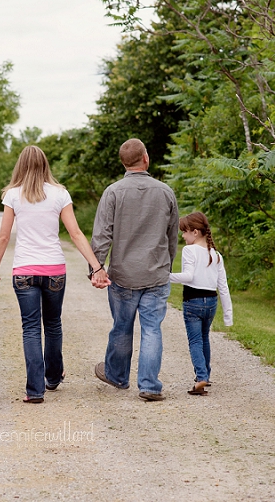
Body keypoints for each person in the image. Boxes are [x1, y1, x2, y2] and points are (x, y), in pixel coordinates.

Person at [0, 145, 108, 404]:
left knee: (31, 328)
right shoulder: (59, 194)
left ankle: (35, 391)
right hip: (54, 270)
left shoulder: (12, 195)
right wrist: (96, 266)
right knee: (53, 324)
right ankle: (53, 377)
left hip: (24, 272)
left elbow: (3, 236)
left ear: (20, 165)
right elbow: (75, 233)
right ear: (45, 165)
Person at [91, 138, 179, 401]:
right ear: (146, 158)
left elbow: (101, 235)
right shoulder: (165, 192)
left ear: (123, 163)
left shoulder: (113, 192)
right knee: (152, 329)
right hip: (156, 274)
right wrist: (167, 266)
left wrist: (96, 268)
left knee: (122, 326)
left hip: (123, 275)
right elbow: (172, 237)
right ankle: (150, 385)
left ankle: (117, 376)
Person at [168, 212, 233, 395]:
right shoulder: (216, 254)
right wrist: (228, 316)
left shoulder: (190, 250)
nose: (182, 236)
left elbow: (189, 276)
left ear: (195, 232)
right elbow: (223, 287)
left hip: (193, 301)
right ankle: (206, 375)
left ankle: (201, 377)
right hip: (211, 302)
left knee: (195, 340)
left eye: (184, 232)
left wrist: (165, 277)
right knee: (204, 338)